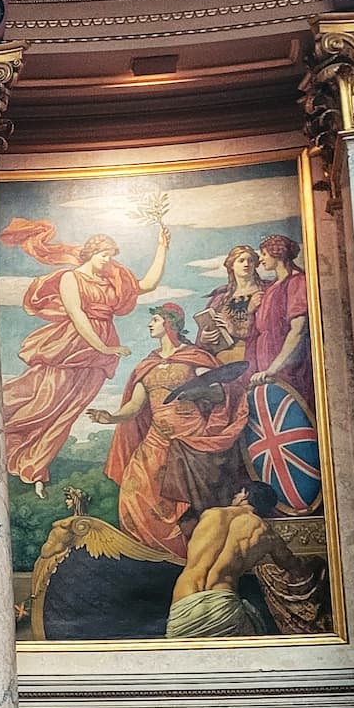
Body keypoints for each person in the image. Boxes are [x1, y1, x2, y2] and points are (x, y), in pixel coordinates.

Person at [0, 209, 171, 492]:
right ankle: (3, 435)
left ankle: (35, 465)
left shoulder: (110, 282)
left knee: (69, 410)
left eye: (111, 255)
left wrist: (162, 247)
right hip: (72, 346)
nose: (109, 261)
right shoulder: (70, 278)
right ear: (92, 253)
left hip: (98, 356)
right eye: (105, 255)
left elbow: (147, 284)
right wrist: (104, 346)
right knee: (44, 402)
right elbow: (77, 316)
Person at [89, 304, 248, 559]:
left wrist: (196, 391)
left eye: (155, 319)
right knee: (134, 492)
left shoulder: (194, 357)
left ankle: (188, 557)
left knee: (187, 504)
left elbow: (219, 392)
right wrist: (111, 417)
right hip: (155, 441)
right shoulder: (147, 365)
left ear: (170, 323)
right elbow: (134, 406)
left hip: (189, 440)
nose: (150, 324)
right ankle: (151, 556)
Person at [166, 482, 308, 637]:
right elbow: (291, 565)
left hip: (183, 603)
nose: (234, 496)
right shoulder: (266, 534)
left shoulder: (211, 514)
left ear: (245, 494)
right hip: (222, 605)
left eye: (237, 493)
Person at [246, 234, 313, 409]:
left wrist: (273, 368)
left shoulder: (297, 282)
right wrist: (251, 310)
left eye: (264, 254)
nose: (260, 259)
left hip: (287, 368)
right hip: (265, 366)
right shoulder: (270, 288)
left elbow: (298, 330)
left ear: (277, 254)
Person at [193, 245, 262, 361]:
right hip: (222, 357)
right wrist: (204, 339)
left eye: (250, 261)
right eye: (241, 261)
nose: (246, 264)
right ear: (231, 266)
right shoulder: (220, 299)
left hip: (254, 354)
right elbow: (204, 335)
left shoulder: (264, 292)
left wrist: (233, 330)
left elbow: (271, 331)